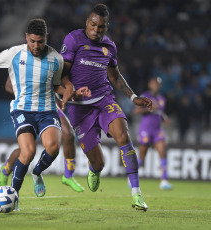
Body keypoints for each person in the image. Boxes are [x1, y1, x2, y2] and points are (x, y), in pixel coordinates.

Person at [0, 19, 88, 209]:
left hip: (47, 110)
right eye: (32, 41)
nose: (36, 46)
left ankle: (37, 173)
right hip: (23, 110)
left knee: (53, 147)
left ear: (46, 38)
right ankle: (14, 196)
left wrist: (74, 91)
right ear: (26, 38)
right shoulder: (14, 54)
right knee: (27, 152)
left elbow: (57, 86)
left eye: (40, 41)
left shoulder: (56, 59)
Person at [60, 4, 153, 211]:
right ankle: (95, 169)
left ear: (106, 27)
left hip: (104, 100)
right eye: (93, 24)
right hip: (79, 108)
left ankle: (136, 193)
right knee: (99, 163)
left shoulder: (109, 47)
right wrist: (70, 89)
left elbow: (115, 77)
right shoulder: (73, 40)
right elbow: (62, 73)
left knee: (123, 136)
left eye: (101, 27)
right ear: (87, 22)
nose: (96, 29)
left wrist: (133, 96)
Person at [0, 76, 85, 192]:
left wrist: (62, 94)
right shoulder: (19, 59)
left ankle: (68, 176)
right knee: (26, 150)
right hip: (27, 107)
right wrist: (28, 95)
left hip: (48, 106)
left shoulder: (53, 59)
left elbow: (51, 84)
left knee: (69, 134)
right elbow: (8, 85)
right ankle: (6, 170)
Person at [133, 77, 173, 190]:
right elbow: (136, 111)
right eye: (155, 83)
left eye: (159, 84)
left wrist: (164, 119)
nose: (157, 86)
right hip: (145, 129)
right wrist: (148, 108)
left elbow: (159, 112)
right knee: (142, 156)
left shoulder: (162, 99)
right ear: (150, 84)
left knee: (162, 152)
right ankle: (132, 177)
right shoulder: (144, 96)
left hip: (157, 130)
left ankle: (164, 181)